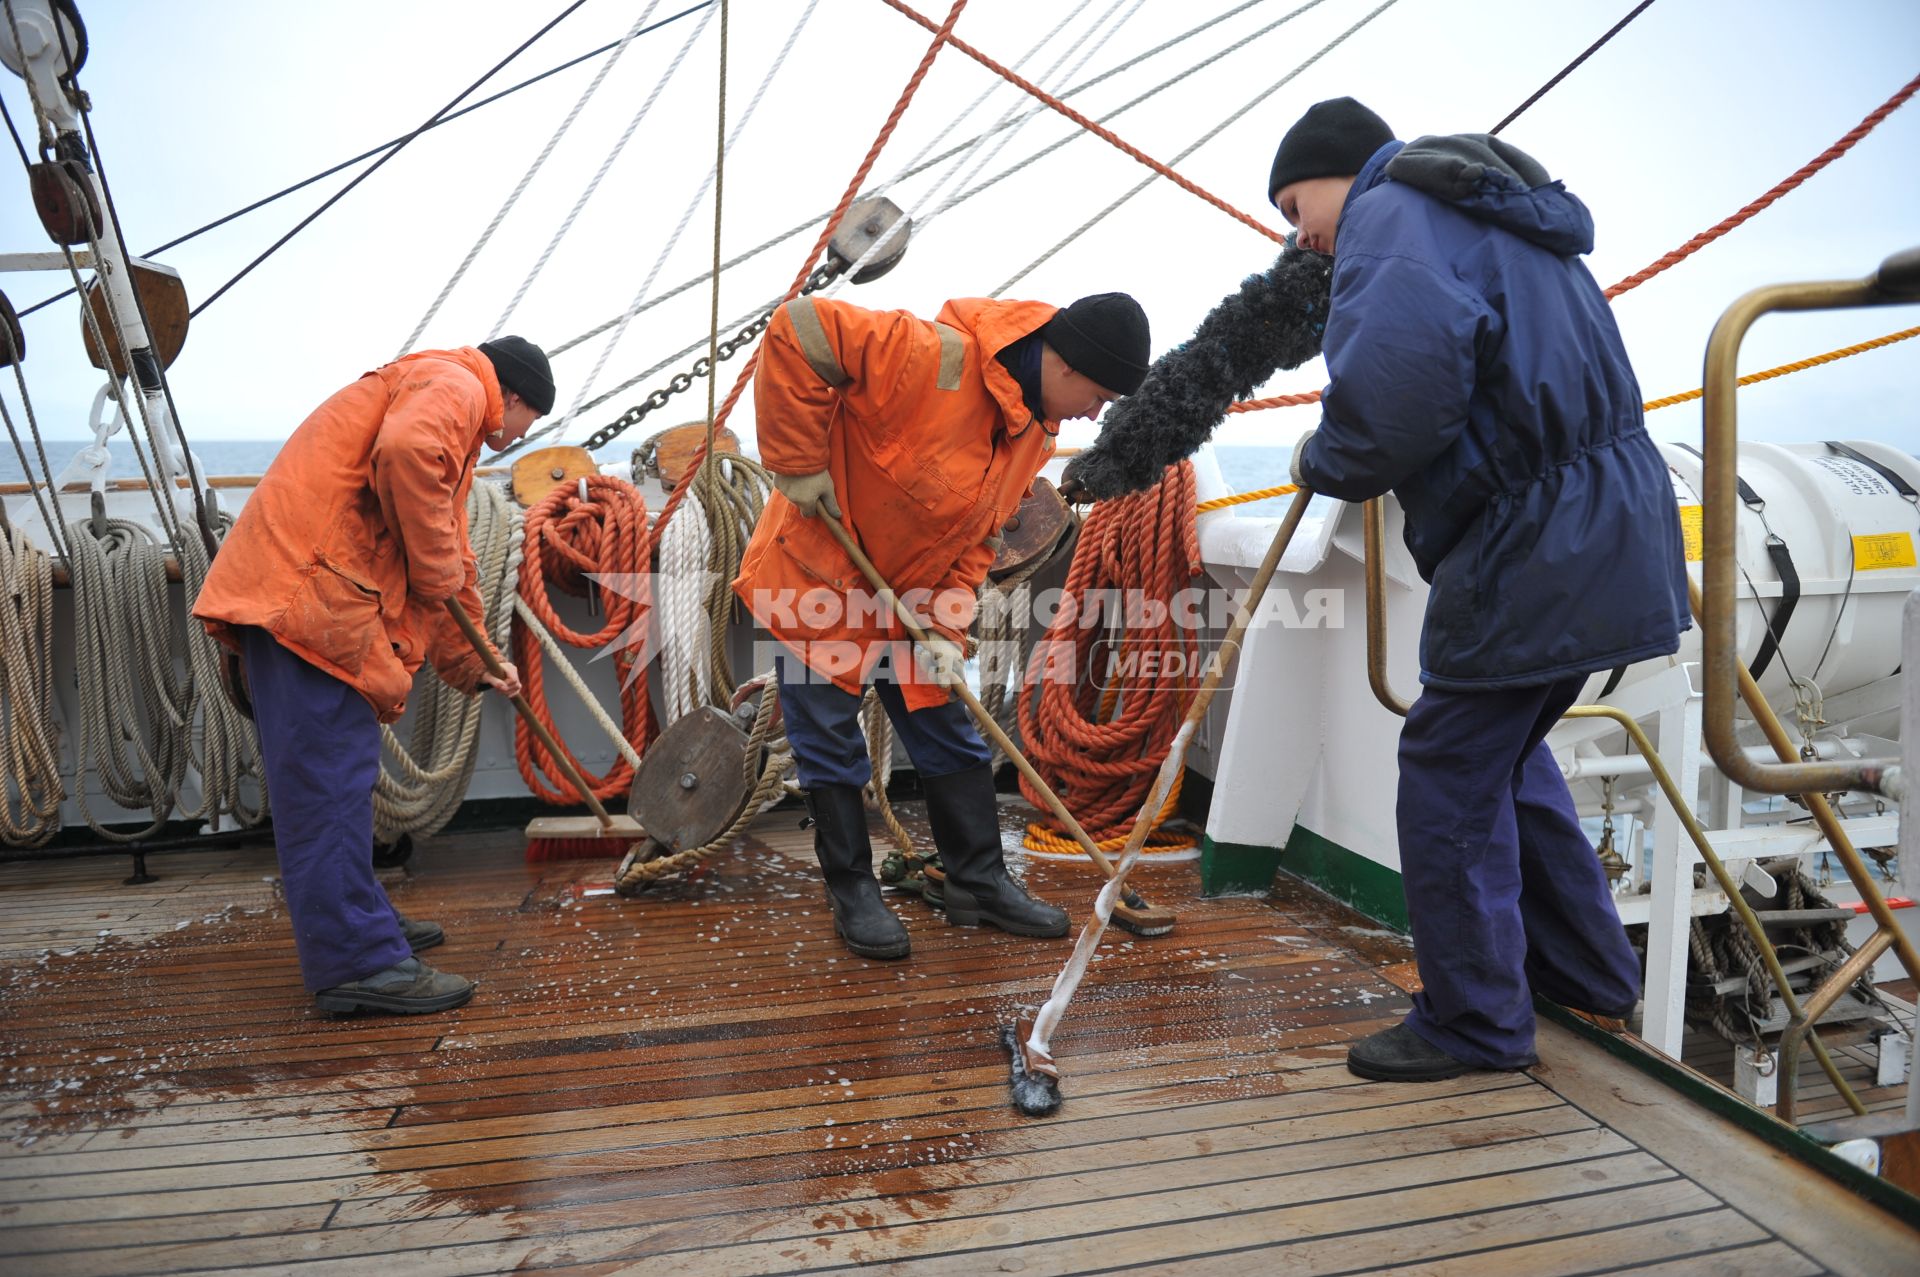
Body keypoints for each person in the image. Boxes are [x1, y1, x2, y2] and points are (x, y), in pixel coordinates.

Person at [1266, 98, 1689, 1080]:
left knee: (1450, 768)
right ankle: (1586, 970)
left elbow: (1401, 382)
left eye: (1296, 201)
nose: (1300, 231)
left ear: (1346, 170)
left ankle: (1476, 1020)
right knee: (1506, 754)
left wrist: (1328, 452)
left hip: (1533, 537)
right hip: (1612, 520)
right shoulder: (1494, 216)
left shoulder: (1394, 211)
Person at [735, 292, 1151, 959]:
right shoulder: (927, 356)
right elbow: (799, 328)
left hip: (912, 604)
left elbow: (974, 546)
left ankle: (978, 879)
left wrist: (946, 633)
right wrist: (797, 461)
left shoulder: (1032, 435)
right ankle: (852, 890)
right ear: (1064, 362)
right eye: (1096, 394)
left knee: (950, 733)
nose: (1094, 414)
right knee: (830, 746)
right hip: (816, 582)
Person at [193, 337, 554, 1015]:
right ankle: (358, 960)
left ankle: (362, 918)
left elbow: (445, 562)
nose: (515, 438)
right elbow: (411, 457)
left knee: (343, 782)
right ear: (512, 398)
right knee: (327, 787)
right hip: (309, 608)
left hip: (311, 602)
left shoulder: (435, 390)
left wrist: (478, 666)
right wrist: (442, 572)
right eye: (526, 423)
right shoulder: (458, 386)